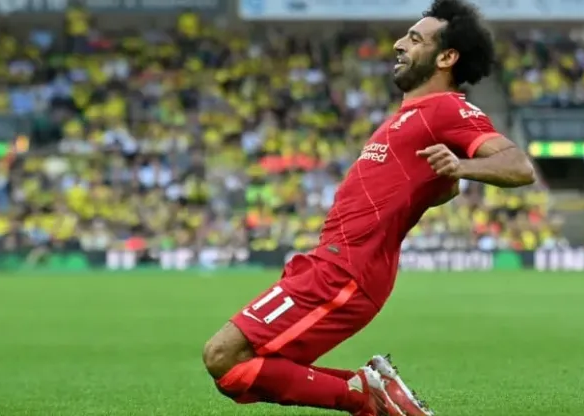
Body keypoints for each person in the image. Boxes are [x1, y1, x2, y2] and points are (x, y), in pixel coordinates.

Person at [202, 0, 536, 415]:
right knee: (245, 362)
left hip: (345, 272)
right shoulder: (411, 115)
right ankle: (372, 391)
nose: (399, 44)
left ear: (446, 57)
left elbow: (518, 166)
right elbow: (441, 188)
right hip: (330, 264)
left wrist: (462, 166)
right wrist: (436, 181)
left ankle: (366, 397)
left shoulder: (447, 108)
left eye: (415, 39)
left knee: (224, 356)